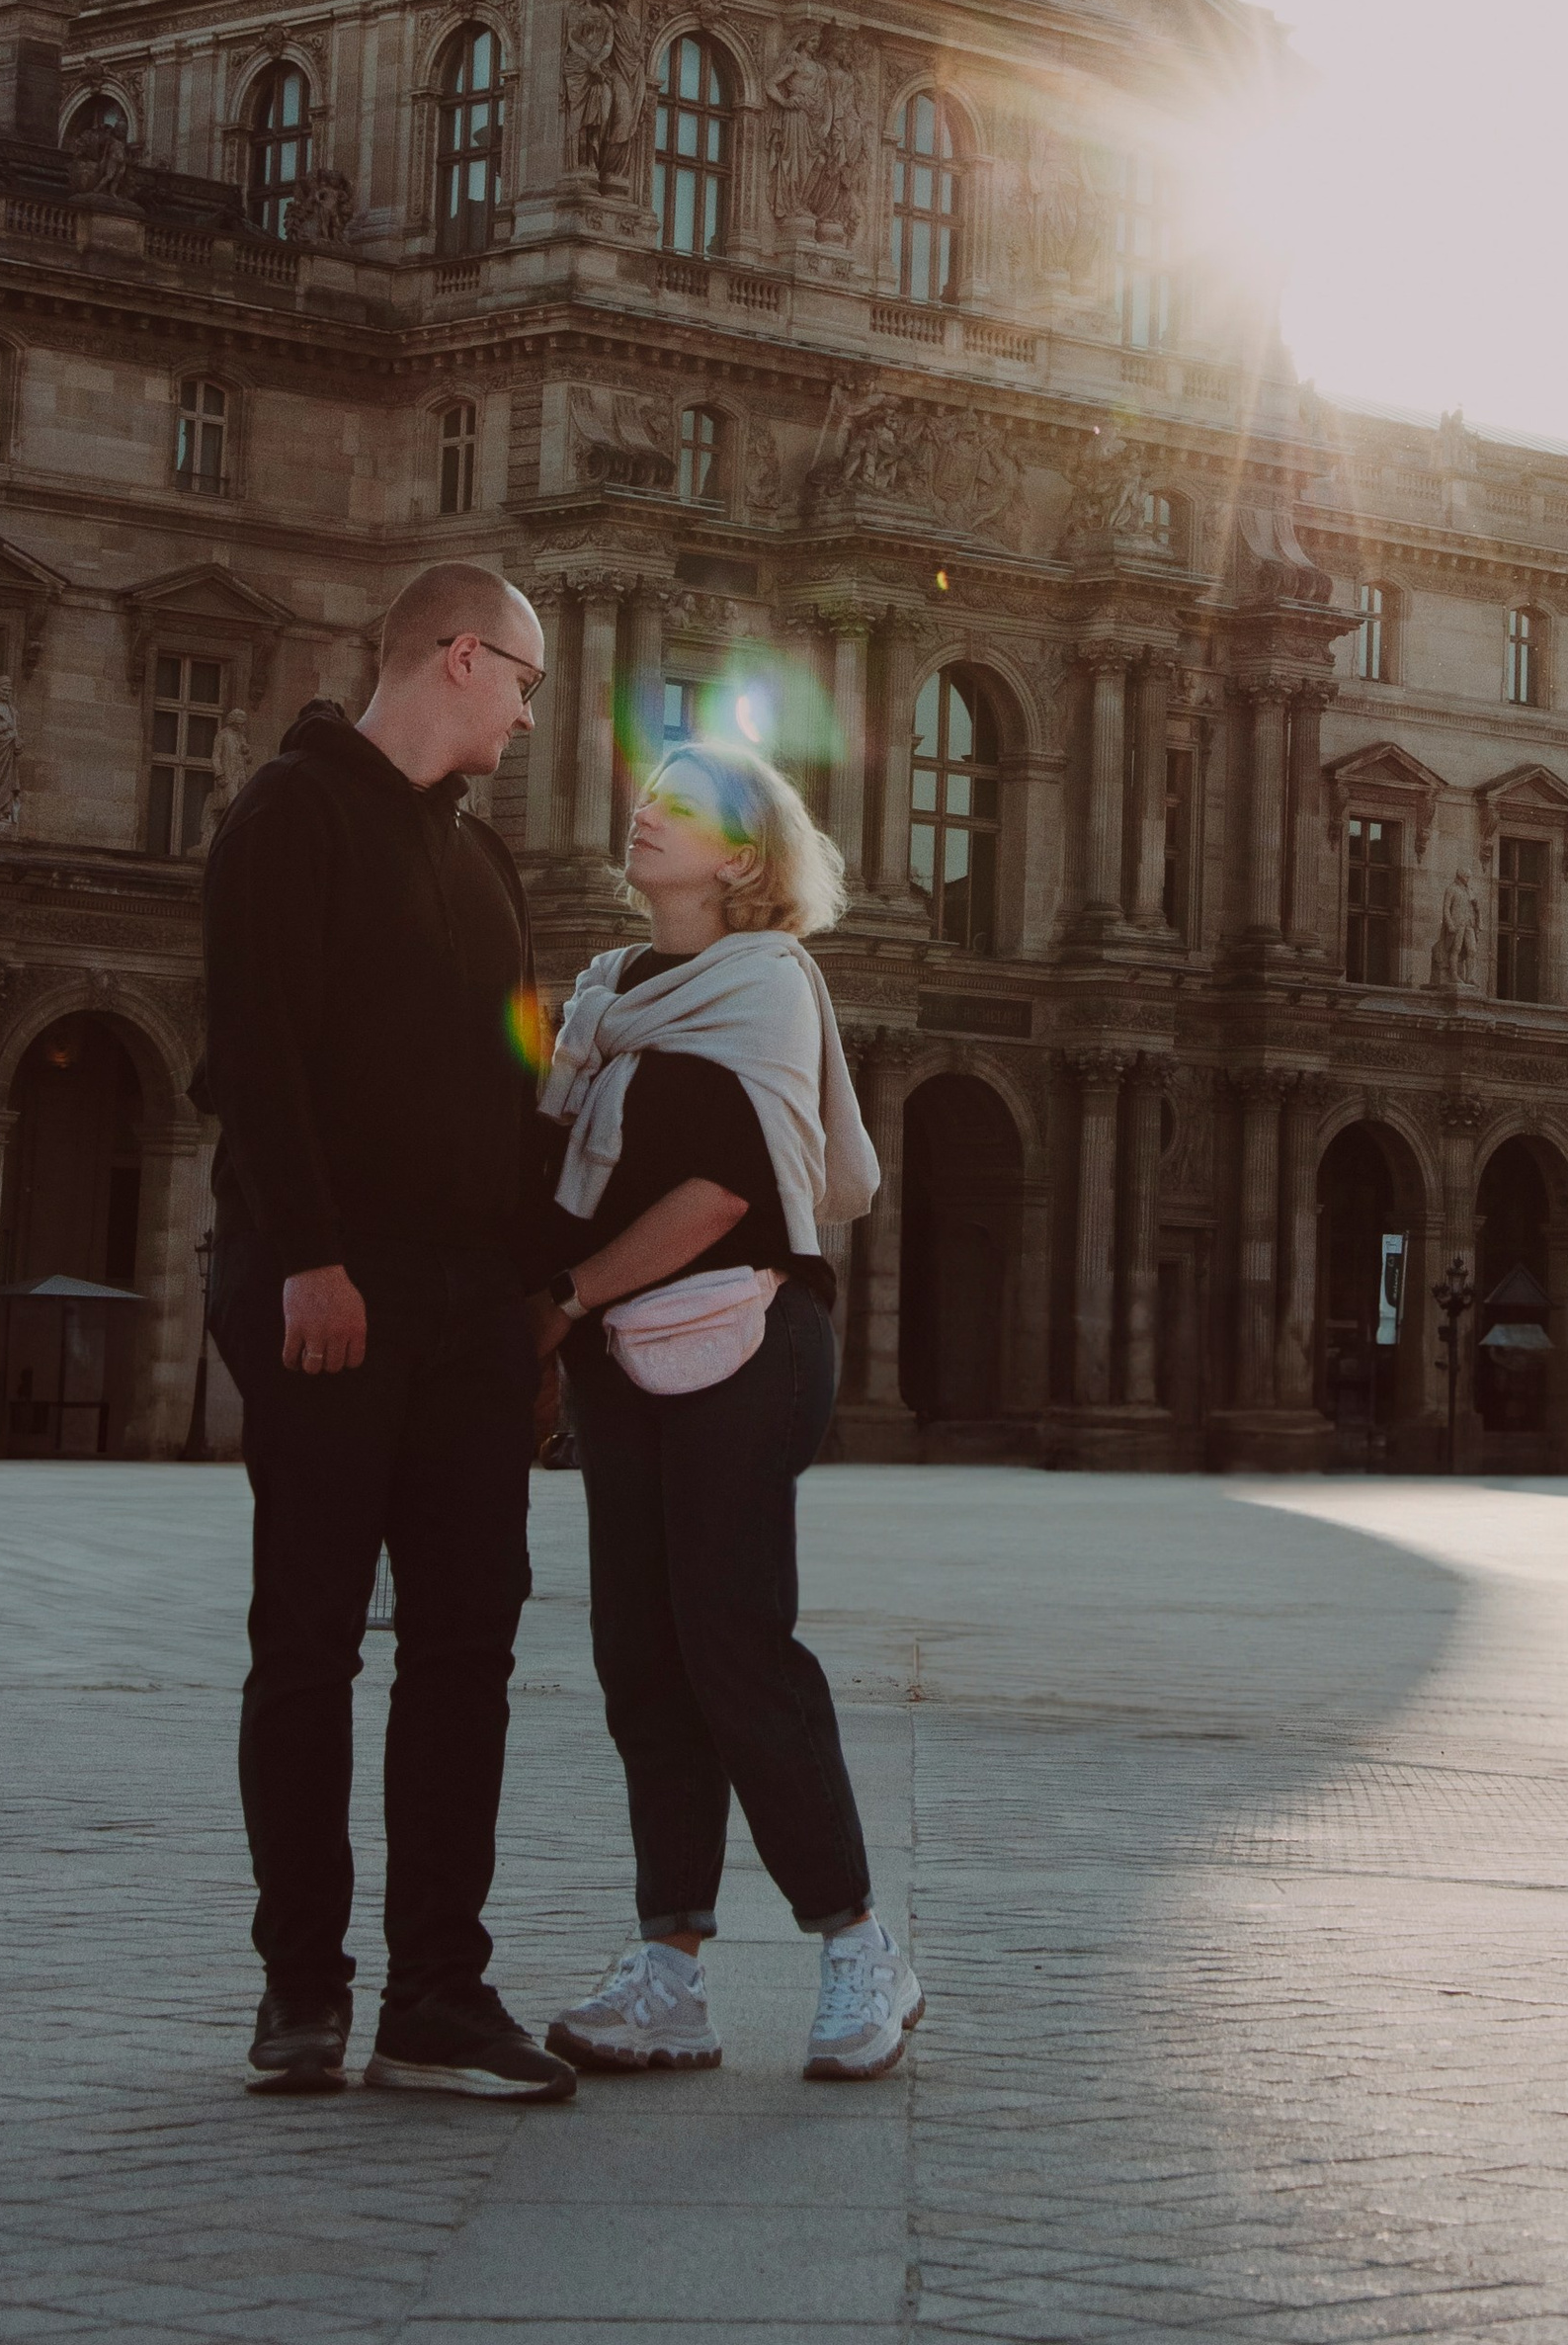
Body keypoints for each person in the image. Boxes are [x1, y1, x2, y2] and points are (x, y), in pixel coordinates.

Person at [200, 559, 574, 2105]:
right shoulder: (290, 815)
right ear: (463, 657)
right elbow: (256, 1051)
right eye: (529, 683)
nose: (535, 714)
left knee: (467, 1650)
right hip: (330, 1297)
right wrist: (311, 1258)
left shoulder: (487, 870)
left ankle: (436, 1994)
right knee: (307, 1642)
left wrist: (545, 1293)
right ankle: (303, 1987)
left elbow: (521, 1089)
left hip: (471, 1315)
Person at [533, 745, 922, 2085]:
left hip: (748, 1340)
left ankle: (860, 1943)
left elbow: (722, 1195)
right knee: (641, 1654)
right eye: (645, 793)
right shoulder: (604, 995)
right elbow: (561, 1178)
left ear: (744, 863)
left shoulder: (763, 986)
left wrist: (560, 1298)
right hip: (615, 1348)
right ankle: (672, 1970)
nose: (645, 813)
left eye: (683, 809)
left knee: (733, 1642)